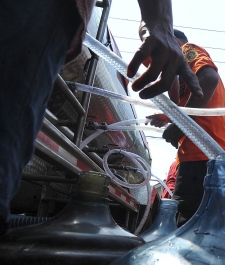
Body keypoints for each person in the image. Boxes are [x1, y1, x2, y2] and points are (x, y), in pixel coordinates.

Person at [0, 0, 202, 236]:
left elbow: (205, 85)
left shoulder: (190, 51)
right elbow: (181, 102)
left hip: (198, 152)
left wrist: (160, 24)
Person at [145, 30, 225, 227]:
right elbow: (192, 104)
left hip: (203, 157)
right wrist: (168, 118)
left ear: (173, 41)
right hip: (201, 156)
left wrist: (180, 124)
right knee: (203, 227)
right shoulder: (181, 73)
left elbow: (209, 79)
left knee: (188, 228)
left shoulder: (187, 50)